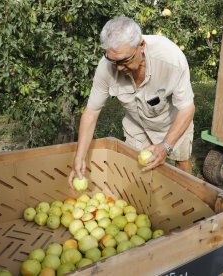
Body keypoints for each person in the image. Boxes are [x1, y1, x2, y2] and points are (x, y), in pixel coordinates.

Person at [68, 16, 195, 184]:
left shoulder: (171, 59)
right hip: (137, 123)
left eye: (123, 61)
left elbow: (187, 108)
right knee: (138, 171)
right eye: (112, 61)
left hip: (172, 121)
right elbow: (91, 113)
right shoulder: (106, 68)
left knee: (182, 168)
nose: (118, 68)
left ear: (141, 46)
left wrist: (165, 146)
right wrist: (80, 156)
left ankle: (188, 204)